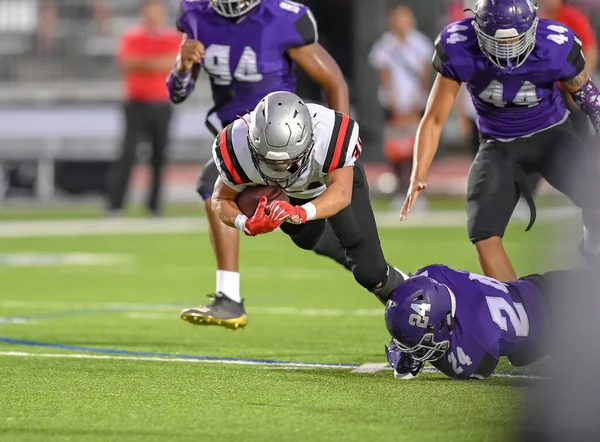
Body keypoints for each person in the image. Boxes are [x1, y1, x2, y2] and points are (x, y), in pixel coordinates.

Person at [167, 0, 351, 329]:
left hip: (287, 145)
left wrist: (339, 149)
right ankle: (383, 276)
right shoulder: (196, 16)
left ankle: (229, 297)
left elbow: (334, 81)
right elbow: (178, 93)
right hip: (240, 141)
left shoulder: (281, 17)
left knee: (215, 186)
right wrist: (181, 67)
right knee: (310, 234)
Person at [400, 0, 600, 282]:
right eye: (498, 40)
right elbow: (434, 118)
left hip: (553, 136)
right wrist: (418, 173)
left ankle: (593, 251)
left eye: (516, 38)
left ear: (533, 25)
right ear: (478, 28)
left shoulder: (555, 43)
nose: (508, 48)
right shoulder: (459, 45)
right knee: (483, 232)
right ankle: (519, 309)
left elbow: (591, 100)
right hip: (498, 144)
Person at [179, 91, 406, 329]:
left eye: (289, 160)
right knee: (306, 240)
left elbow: (341, 192)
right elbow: (220, 199)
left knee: (370, 272)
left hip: (325, 186)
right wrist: (244, 223)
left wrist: (302, 213)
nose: (280, 167)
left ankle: (410, 301)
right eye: (270, 160)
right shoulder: (236, 144)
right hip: (287, 197)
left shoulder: (329, 135)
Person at [383, 263, 593, 380]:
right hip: (541, 288)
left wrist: (411, 354)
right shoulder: (433, 275)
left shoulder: (477, 337)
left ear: (441, 323)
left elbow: (477, 371)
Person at [106, 0, 180, 216]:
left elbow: (171, 63)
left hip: (161, 103)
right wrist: (155, 63)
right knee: (127, 154)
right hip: (136, 103)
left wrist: (145, 63)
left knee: (159, 156)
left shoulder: (170, 38)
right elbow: (129, 62)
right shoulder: (132, 36)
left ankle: (154, 206)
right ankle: (115, 204)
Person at [368, 5, 433, 212]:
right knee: (396, 151)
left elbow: (425, 74)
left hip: (416, 105)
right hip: (393, 107)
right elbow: (384, 76)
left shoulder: (421, 43)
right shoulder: (385, 46)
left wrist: (416, 103)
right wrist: (394, 103)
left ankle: (418, 193)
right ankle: (399, 192)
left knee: (417, 149)